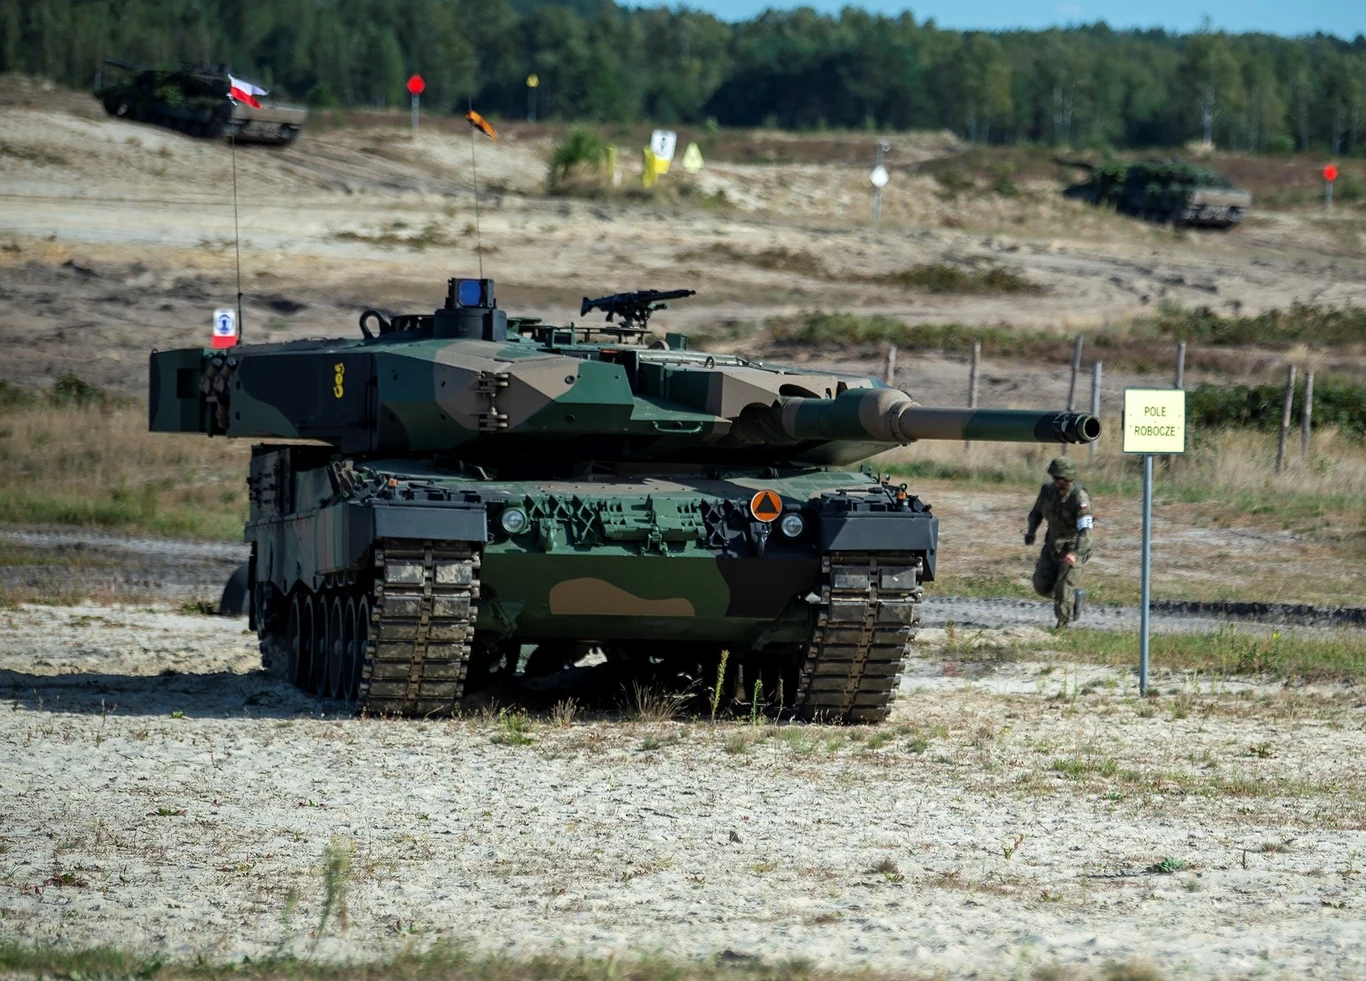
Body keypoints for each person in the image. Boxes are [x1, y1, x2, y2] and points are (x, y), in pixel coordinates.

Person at [1024, 457, 1093, 629]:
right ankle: (1072, 597)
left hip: (1073, 548)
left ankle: (1063, 626)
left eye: (1059, 478)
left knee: (1063, 586)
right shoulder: (1047, 492)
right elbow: (1036, 513)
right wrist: (1031, 532)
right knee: (1041, 585)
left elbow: (1086, 531)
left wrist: (1075, 553)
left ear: (1069, 479)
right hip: (1052, 546)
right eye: (1054, 477)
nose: (1056, 481)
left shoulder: (1080, 498)